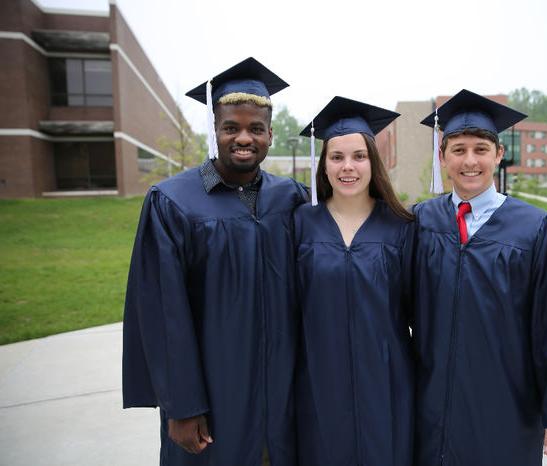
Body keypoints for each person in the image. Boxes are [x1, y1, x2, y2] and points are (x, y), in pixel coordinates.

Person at [122, 57, 307, 466]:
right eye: (231, 127)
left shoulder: (290, 197)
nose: (244, 137)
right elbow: (161, 313)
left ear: (271, 135)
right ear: (215, 131)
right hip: (212, 393)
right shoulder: (172, 201)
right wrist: (181, 405)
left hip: (280, 391)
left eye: (255, 128)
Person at [411, 89, 547, 466]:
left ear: (499, 154)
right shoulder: (422, 221)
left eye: (480, 149)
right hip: (430, 405)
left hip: (507, 405)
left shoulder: (535, 228)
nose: (470, 160)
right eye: (458, 150)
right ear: (443, 158)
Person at [294, 97, 415, 466]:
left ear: (373, 162)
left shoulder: (403, 227)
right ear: (324, 165)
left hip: (386, 381)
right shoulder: (299, 223)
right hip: (318, 379)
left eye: (359, 156)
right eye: (337, 157)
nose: (348, 167)